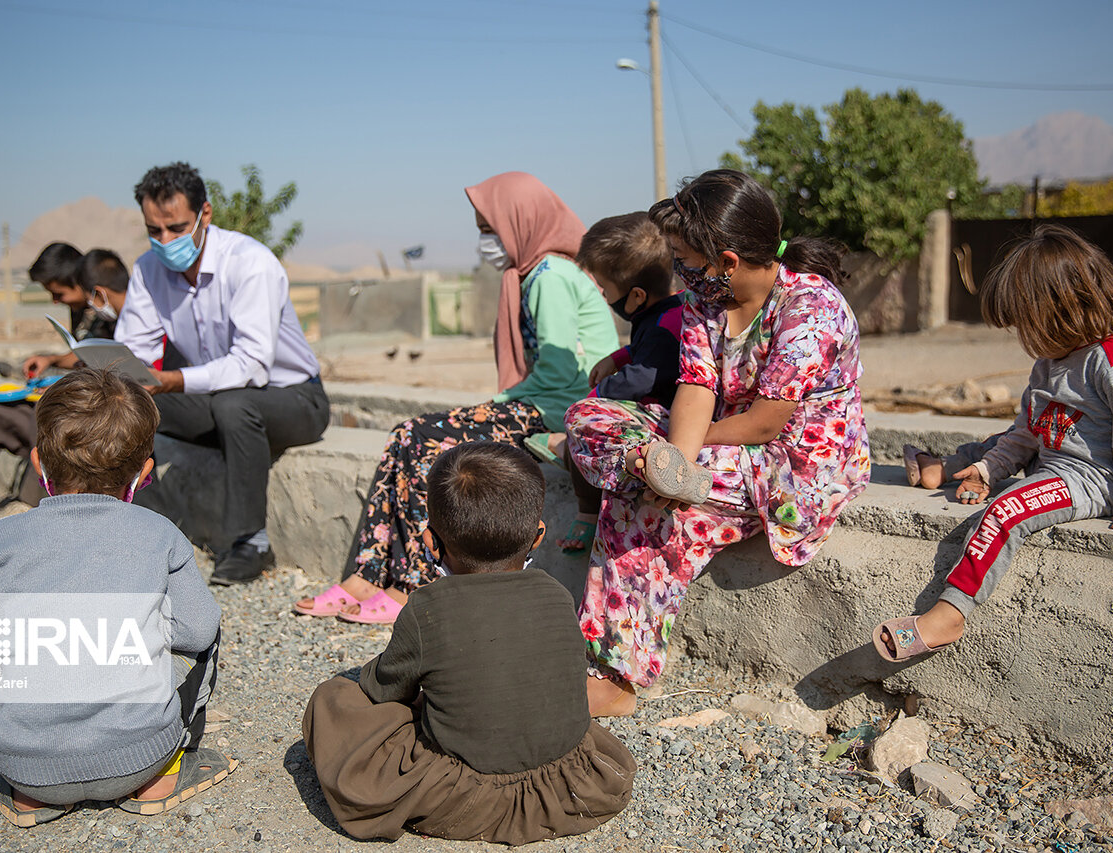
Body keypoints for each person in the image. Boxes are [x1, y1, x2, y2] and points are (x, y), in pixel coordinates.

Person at [564, 169, 871, 716]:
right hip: (718, 447)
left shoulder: (811, 309)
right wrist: (672, 463)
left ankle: (615, 675)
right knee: (590, 415)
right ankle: (650, 467)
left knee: (639, 503)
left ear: (725, 260)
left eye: (683, 256)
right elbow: (695, 388)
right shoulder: (708, 301)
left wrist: (678, 459)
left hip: (791, 466)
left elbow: (764, 425)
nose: (677, 270)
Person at [293, 171, 618, 622]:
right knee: (407, 431)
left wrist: (500, 399)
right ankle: (366, 573)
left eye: (491, 229)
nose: (486, 240)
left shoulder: (549, 276)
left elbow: (560, 372)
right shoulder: (533, 275)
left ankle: (417, 582)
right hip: (541, 401)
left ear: (521, 222)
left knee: (427, 438)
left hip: (558, 408)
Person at [302, 442, 636, 844]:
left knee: (334, 698)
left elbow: (384, 688)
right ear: (539, 535)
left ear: (430, 542)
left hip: (468, 795)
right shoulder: (558, 594)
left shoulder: (427, 608)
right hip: (571, 784)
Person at [873, 225, 1113, 661]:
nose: (1023, 337)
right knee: (995, 444)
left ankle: (950, 611)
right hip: (1051, 458)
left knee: (1006, 510)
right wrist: (988, 469)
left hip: (1093, 479)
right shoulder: (1049, 362)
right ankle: (950, 466)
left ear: (1065, 307)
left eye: (1026, 324)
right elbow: (1025, 432)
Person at [0, 368, 230, 827]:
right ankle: (161, 780)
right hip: (140, 759)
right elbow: (198, 630)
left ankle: (27, 795)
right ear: (145, 473)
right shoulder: (160, 533)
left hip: (27, 768)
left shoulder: (0, 536)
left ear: (39, 463)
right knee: (208, 625)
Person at [115, 162, 329, 585]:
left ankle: (251, 542)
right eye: (153, 231)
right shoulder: (147, 270)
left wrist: (173, 381)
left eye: (176, 228)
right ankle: (144, 524)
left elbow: (250, 365)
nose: (165, 241)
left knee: (235, 404)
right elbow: (135, 350)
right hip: (212, 399)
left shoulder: (250, 263)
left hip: (292, 398)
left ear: (205, 214)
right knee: (122, 402)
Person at [0, 244, 127, 521]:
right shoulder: (82, 312)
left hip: (90, 414)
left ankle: (29, 510)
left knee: (54, 427)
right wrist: (51, 360)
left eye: (59, 293)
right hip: (65, 397)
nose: (56, 301)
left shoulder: (115, 313)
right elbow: (84, 357)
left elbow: (114, 373)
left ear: (82, 284)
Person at [523, 212, 683, 555]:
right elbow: (645, 353)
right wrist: (619, 356)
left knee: (582, 422)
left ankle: (584, 505)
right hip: (659, 411)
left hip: (663, 420)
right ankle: (565, 448)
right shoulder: (667, 312)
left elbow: (643, 376)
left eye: (606, 289)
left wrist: (598, 394)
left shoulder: (661, 325)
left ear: (636, 295)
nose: (605, 296)